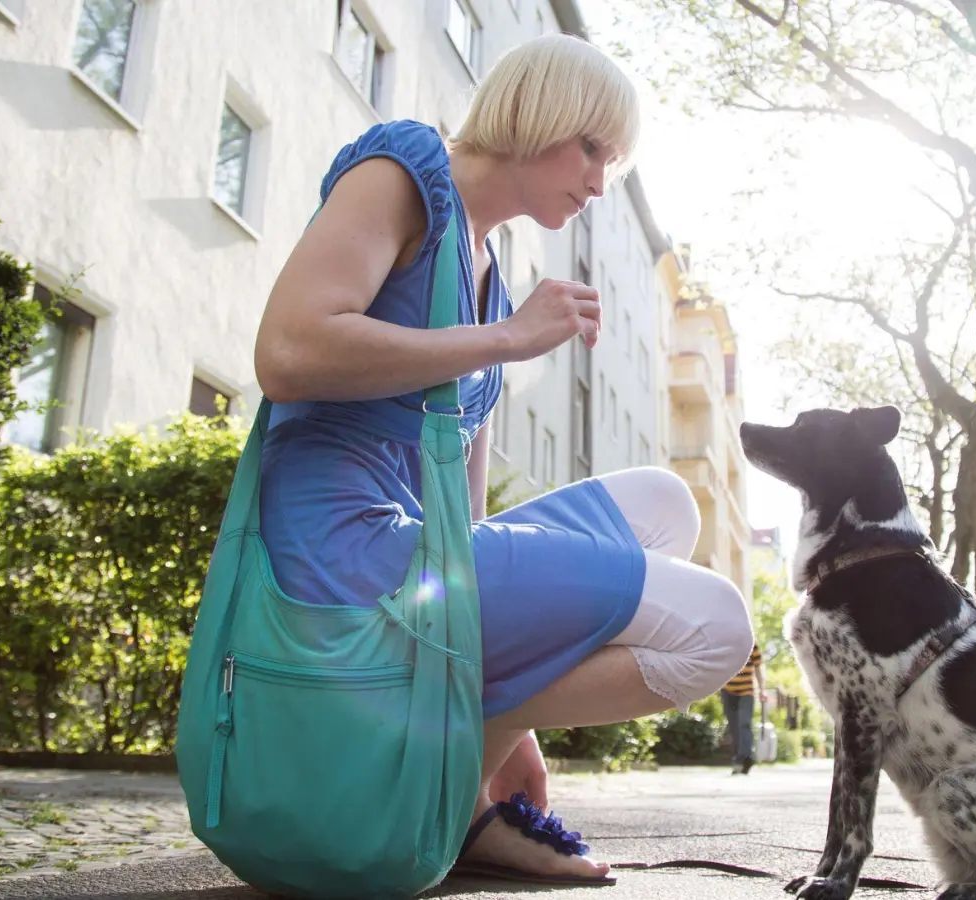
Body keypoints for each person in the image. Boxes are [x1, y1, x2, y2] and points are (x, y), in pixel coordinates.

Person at [251, 34, 753, 885]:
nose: (600, 182)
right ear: (538, 111)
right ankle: (457, 783)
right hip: (338, 546)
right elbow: (289, 349)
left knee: (667, 505)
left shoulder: (488, 275)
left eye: (613, 161)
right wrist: (510, 338)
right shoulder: (407, 168)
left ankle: (462, 771)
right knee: (718, 631)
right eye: (592, 147)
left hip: (420, 556)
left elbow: (467, 524)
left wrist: (514, 724)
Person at [721, 643, 764, 774]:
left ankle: (744, 758)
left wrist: (762, 689)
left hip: (747, 691)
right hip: (727, 690)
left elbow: (758, 667)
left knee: (744, 723)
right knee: (734, 726)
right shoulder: (723, 643)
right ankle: (739, 757)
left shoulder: (752, 643)